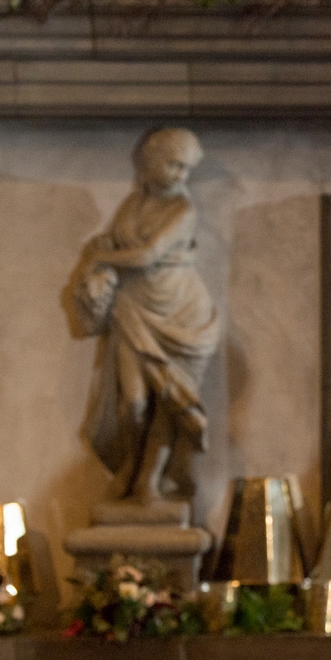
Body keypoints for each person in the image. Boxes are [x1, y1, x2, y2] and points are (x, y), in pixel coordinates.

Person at [66, 127, 221, 505]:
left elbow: (148, 255)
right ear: (149, 161)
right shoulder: (133, 204)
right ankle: (128, 469)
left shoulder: (183, 209)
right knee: (132, 402)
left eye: (185, 169)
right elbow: (121, 244)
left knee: (169, 401)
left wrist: (100, 258)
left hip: (180, 313)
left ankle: (148, 480)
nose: (180, 176)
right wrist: (102, 250)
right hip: (133, 309)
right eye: (173, 165)